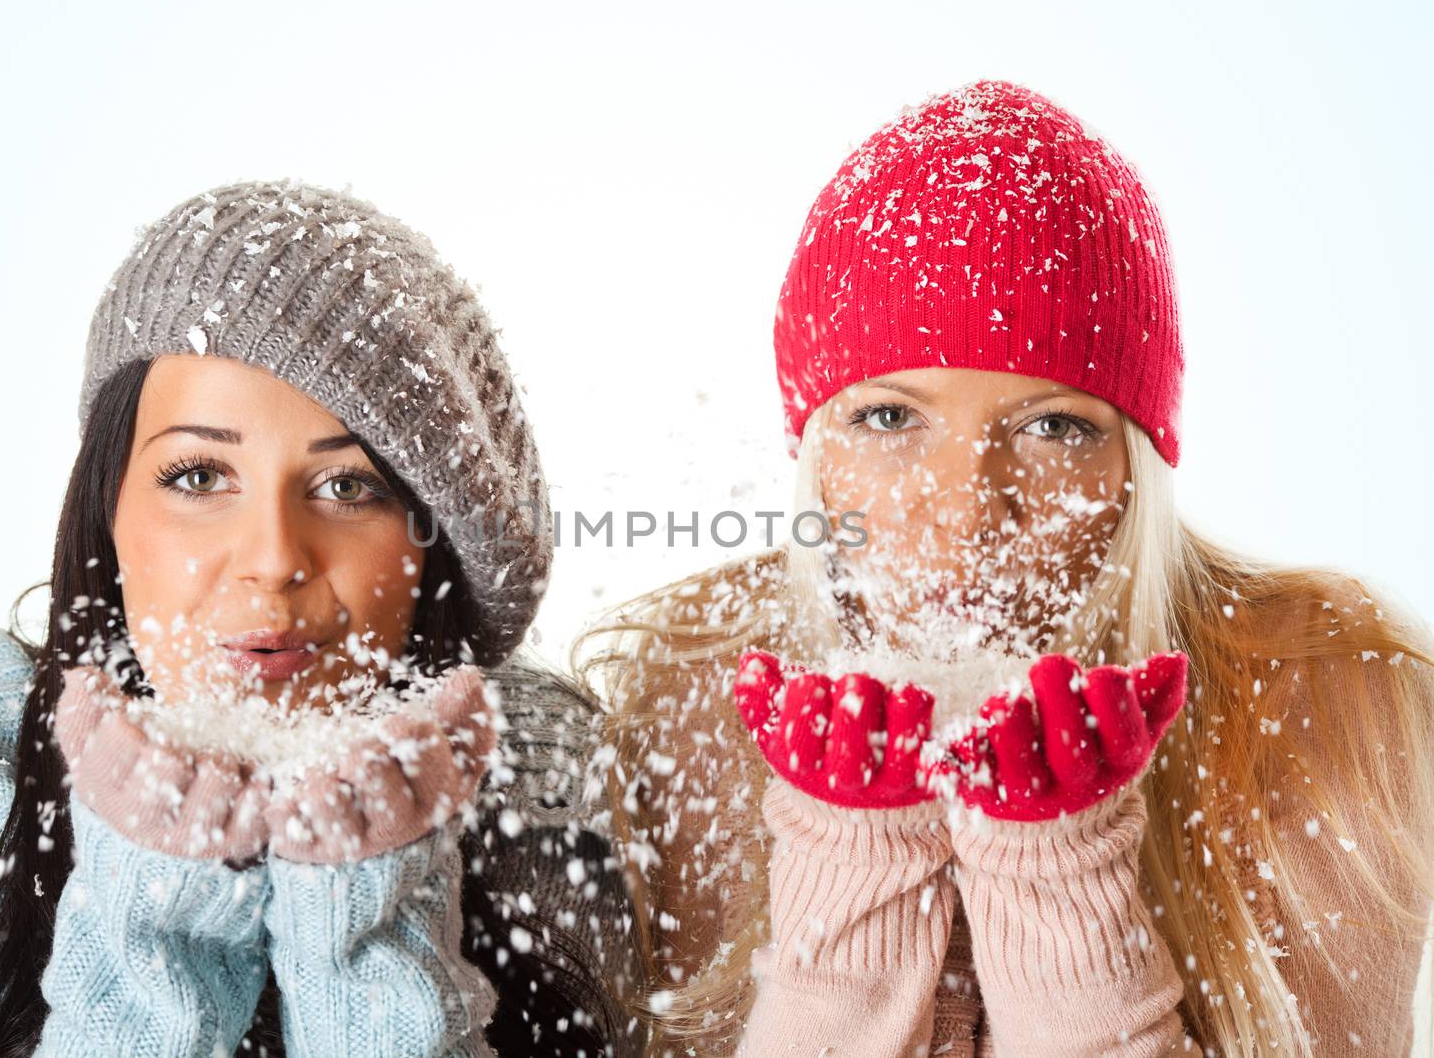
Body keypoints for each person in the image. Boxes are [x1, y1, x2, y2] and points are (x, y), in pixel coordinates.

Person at [572, 79, 1434, 1056]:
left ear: (1133, 463)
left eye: (1052, 426)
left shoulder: (1331, 692)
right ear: (812, 444)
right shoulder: (701, 681)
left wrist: (1060, 890)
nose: (966, 513)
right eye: (889, 417)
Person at [0, 180, 643, 1057]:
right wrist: (162, 884)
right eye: (197, 476)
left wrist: (362, 890)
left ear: (432, 554)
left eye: (348, 486)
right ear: (108, 512)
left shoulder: (551, 793)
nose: (271, 557)